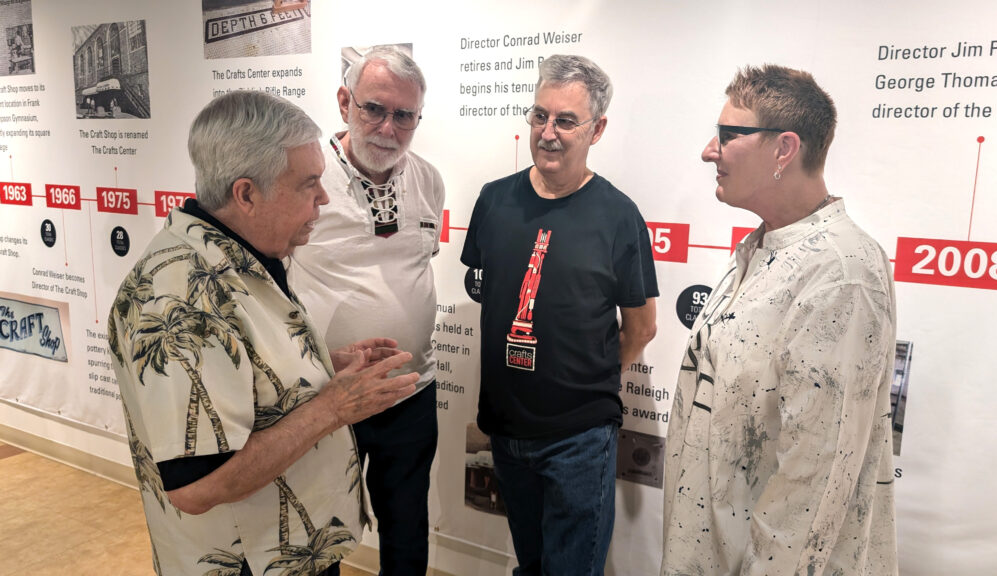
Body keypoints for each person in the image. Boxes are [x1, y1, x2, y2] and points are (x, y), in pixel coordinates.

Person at [108, 90, 419, 576]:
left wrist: (318, 363)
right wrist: (336, 404)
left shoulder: (243, 256)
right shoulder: (179, 297)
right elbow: (198, 485)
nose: (323, 197)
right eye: (309, 183)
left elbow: (239, 373)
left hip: (293, 555)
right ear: (247, 194)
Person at [661, 65, 898, 575]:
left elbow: (810, 491)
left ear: (784, 149)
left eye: (728, 135)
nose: (710, 150)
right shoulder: (759, 248)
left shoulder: (841, 274)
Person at [461, 54, 659, 575]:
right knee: (531, 567)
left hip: (579, 438)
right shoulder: (493, 201)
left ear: (597, 130)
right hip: (505, 431)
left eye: (566, 121)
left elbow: (642, 328)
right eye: (539, 115)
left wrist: (582, 381)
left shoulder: (619, 216)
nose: (548, 133)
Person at [289, 45, 443, 576]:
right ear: (344, 102)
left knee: (407, 529)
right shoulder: (307, 182)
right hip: (328, 393)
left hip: (410, 390)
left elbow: (419, 266)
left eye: (405, 116)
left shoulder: (429, 180)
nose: (388, 128)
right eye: (373, 108)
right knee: (319, 530)